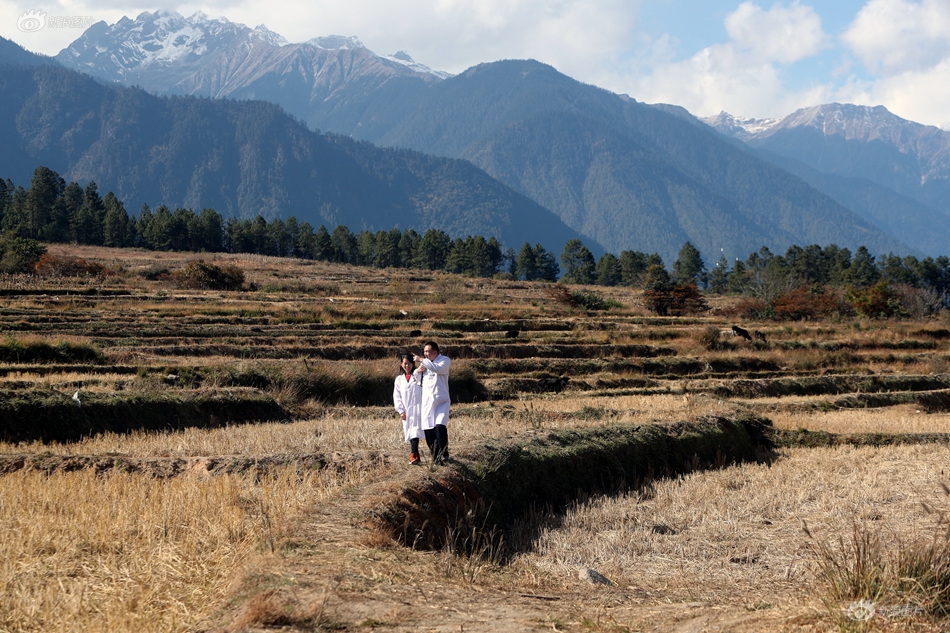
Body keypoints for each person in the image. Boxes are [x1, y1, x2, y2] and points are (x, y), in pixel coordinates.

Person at [413, 341, 451, 464]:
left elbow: (437, 369)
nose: (426, 354)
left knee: (440, 426)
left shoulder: (444, 361)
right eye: (424, 352)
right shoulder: (426, 365)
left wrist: (422, 360)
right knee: (428, 430)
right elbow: (417, 380)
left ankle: (444, 453)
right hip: (428, 402)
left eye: (428, 352)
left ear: (435, 352)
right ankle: (435, 458)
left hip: (441, 401)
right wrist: (418, 371)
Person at [393, 353, 424, 465]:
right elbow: (397, 396)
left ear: (413, 363)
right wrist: (401, 410)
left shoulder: (419, 376)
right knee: (410, 431)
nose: (407, 366)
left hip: (418, 408)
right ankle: (416, 456)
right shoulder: (399, 380)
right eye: (405, 363)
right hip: (406, 409)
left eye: (410, 363)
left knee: (415, 431)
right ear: (401, 364)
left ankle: (413, 455)